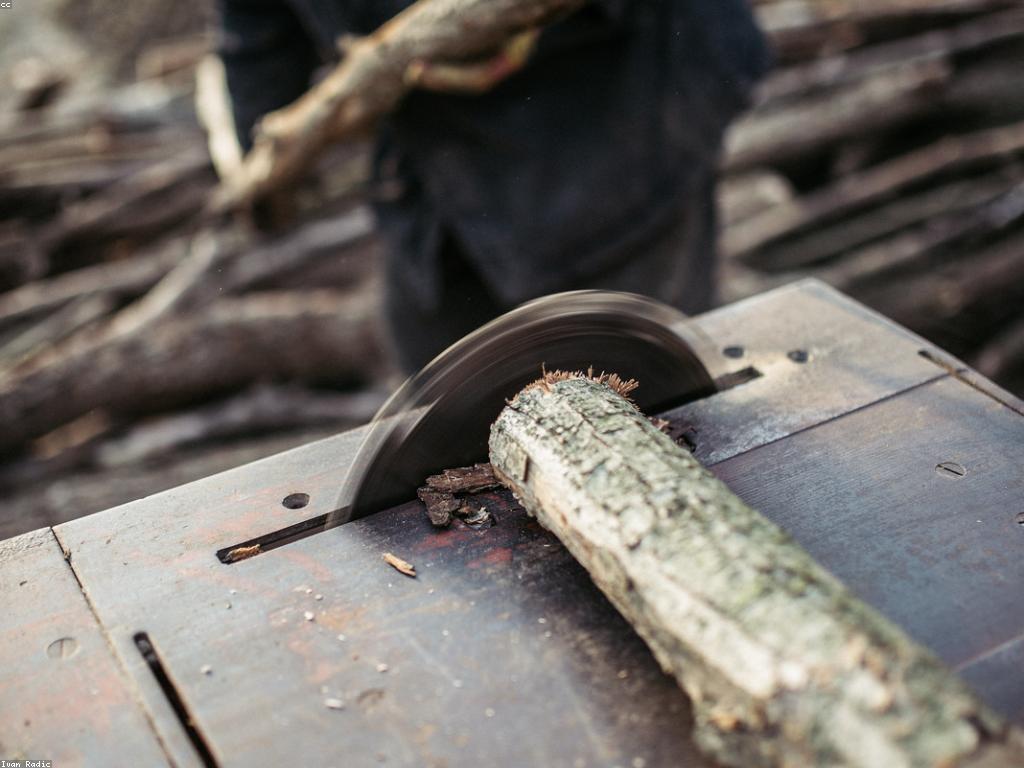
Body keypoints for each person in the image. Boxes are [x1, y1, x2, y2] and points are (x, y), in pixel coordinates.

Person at [216, 0, 770, 372]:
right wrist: (266, 154)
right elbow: (258, 32)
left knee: (643, 383)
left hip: (621, 113)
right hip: (435, 172)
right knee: (433, 392)